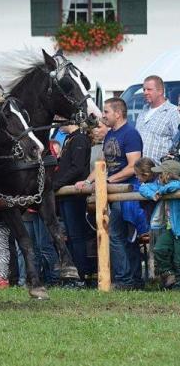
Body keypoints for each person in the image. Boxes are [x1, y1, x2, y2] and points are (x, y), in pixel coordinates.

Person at [75, 98, 144, 289]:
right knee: (123, 237)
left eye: (106, 112)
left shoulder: (130, 134)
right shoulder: (110, 134)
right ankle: (134, 280)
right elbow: (103, 164)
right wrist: (88, 181)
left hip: (127, 192)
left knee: (117, 235)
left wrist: (108, 181)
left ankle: (125, 280)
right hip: (112, 191)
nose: (103, 115)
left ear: (118, 113)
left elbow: (134, 166)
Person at [54, 123, 94, 283]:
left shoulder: (80, 139)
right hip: (65, 193)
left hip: (74, 194)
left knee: (77, 236)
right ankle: (73, 274)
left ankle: (81, 275)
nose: (57, 122)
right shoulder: (69, 139)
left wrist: (57, 184)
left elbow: (77, 168)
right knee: (70, 236)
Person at [138, 160, 180, 289]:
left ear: (168, 175)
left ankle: (177, 285)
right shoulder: (160, 186)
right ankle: (169, 274)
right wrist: (153, 194)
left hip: (178, 230)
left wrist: (161, 191)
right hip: (172, 228)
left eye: (160, 174)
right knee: (159, 249)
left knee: (178, 259)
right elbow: (143, 188)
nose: (158, 177)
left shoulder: (171, 186)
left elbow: (175, 185)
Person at [135, 75, 180, 165]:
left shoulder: (173, 112)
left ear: (160, 91)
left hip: (160, 171)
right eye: (144, 89)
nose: (145, 92)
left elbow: (178, 145)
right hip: (139, 170)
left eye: (149, 89)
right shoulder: (143, 111)